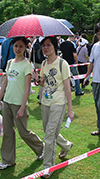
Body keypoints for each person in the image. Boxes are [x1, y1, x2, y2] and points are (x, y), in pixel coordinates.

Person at [0, 37, 44, 170]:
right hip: (7, 102)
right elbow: (5, 82)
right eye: (16, 46)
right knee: (8, 132)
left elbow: (27, 88)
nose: (18, 49)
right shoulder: (10, 63)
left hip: (19, 104)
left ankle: (41, 148)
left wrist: (22, 107)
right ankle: (8, 160)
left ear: (25, 48)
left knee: (23, 132)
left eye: (21, 46)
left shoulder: (27, 65)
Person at [32, 36, 74, 178]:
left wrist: (70, 109)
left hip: (58, 103)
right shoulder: (44, 63)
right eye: (43, 45)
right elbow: (44, 84)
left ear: (55, 47)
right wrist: (37, 79)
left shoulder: (63, 64)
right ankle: (66, 145)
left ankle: (47, 167)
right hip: (45, 103)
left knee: (49, 135)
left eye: (48, 45)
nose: (45, 48)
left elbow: (68, 89)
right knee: (50, 132)